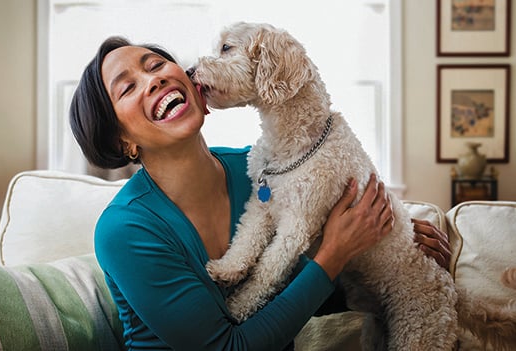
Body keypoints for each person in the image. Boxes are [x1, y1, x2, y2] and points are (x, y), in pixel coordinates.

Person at [69, 36, 451, 351]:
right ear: (122, 142)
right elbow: (227, 346)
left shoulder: (265, 170)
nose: (154, 80)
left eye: (155, 65)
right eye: (128, 87)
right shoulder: (126, 229)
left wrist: (381, 241)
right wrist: (333, 254)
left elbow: (301, 295)